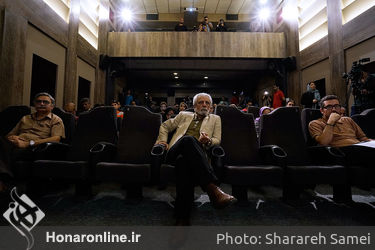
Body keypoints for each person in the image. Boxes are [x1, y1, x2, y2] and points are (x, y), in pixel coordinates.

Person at [155, 93, 236, 225]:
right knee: (188, 139)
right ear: (194, 106)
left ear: (210, 107)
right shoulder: (183, 115)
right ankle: (212, 188)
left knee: (184, 163)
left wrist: (208, 141)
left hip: (195, 158)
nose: (204, 105)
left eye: (207, 103)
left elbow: (217, 140)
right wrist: (163, 141)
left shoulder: (215, 119)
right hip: (174, 153)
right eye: (200, 102)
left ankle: (182, 218)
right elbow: (165, 126)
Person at [0, 92, 65, 192]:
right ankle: (4, 180)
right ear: (34, 104)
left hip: (34, 147)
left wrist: (28, 143)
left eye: (45, 102)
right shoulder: (25, 118)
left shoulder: (56, 120)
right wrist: (14, 138)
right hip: (15, 144)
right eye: (38, 102)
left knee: (9, 151)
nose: (41, 104)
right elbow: (9, 135)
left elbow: (56, 139)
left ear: (52, 106)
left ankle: (4, 180)